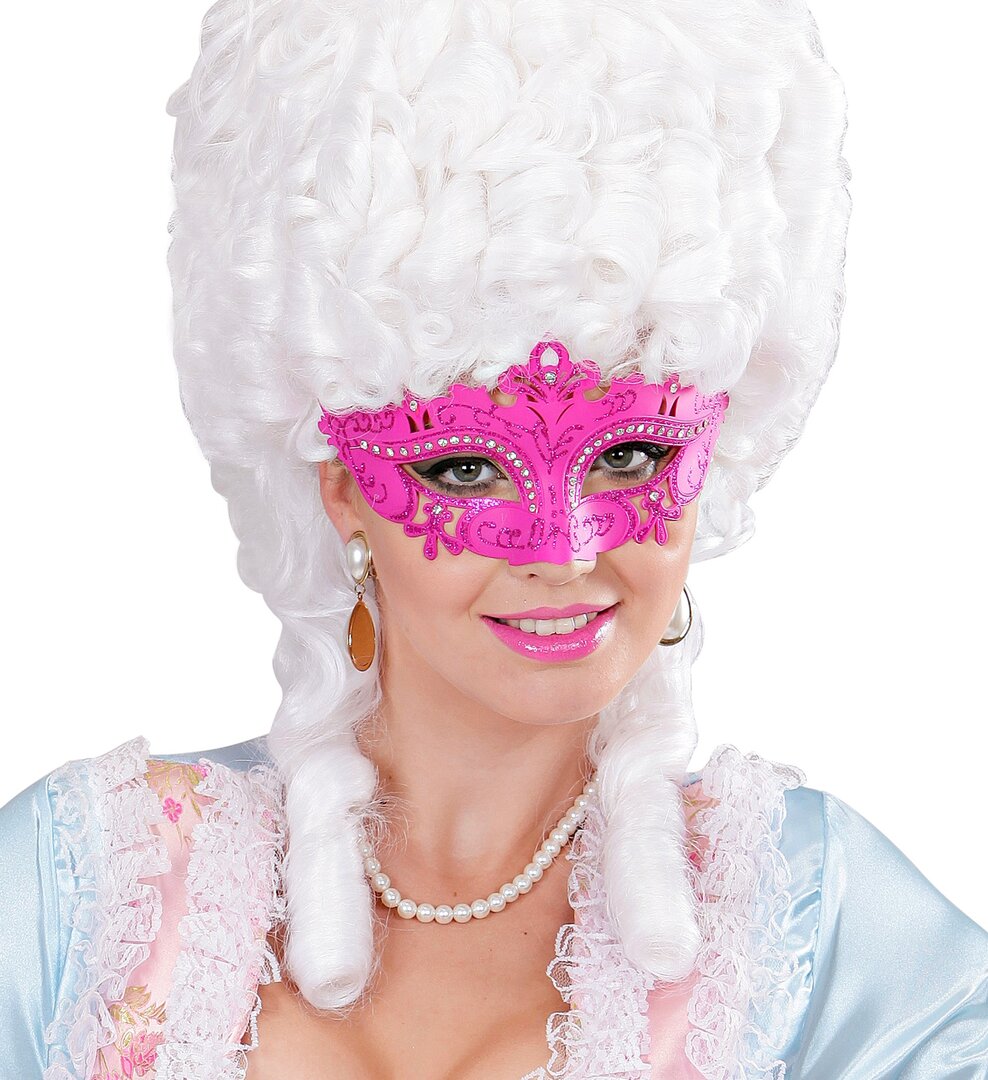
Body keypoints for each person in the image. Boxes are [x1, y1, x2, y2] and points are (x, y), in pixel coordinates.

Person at [2, 0, 986, 1077]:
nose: (564, 549)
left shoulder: (805, 924)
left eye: (630, 454)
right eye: (466, 466)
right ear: (344, 491)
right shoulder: (91, 894)